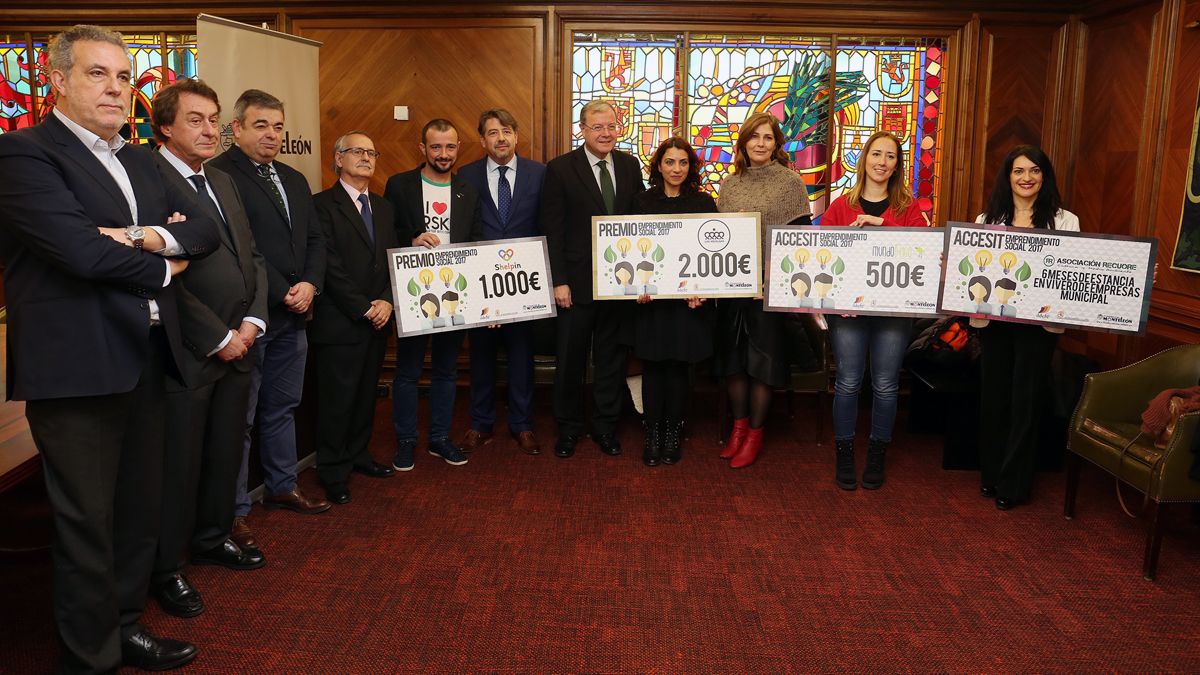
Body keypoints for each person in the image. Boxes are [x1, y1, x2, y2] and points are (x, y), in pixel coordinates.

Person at [0, 25, 220, 671]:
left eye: (123, 77)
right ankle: (89, 657)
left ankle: (126, 625)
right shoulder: (23, 155)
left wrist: (139, 237)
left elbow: (206, 226)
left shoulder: (142, 157)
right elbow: (76, 250)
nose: (116, 88)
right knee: (86, 523)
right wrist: (163, 264)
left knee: (135, 513)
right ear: (57, 79)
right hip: (76, 368)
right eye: (98, 74)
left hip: (149, 353)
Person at [149, 79, 269, 621]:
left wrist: (251, 321)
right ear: (166, 126)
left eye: (213, 119)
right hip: (189, 348)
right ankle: (167, 567)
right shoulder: (146, 179)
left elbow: (253, 257)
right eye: (194, 119)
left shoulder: (222, 178)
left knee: (225, 450)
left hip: (241, 341)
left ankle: (212, 536)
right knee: (180, 463)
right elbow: (160, 279)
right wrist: (218, 337)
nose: (207, 130)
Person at [209, 88, 331, 528]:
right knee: (239, 418)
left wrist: (311, 285)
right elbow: (244, 250)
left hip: (295, 317)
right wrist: (283, 291)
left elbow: (315, 240)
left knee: (282, 406)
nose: (272, 135)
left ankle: (281, 485)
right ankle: (236, 509)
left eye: (278, 126)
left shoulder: (294, 179)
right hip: (249, 319)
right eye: (261, 125)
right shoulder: (219, 176)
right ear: (236, 128)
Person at [821, 131, 929, 491]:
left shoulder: (908, 208)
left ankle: (878, 451)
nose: (883, 162)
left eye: (891, 157)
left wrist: (884, 224)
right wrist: (839, 299)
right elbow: (824, 256)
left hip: (894, 312)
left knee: (885, 384)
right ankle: (846, 452)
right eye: (876, 154)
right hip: (848, 312)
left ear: (898, 165)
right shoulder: (840, 206)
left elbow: (924, 252)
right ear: (864, 158)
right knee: (849, 382)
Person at [974, 145, 1079, 510]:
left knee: (1026, 401)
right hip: (995, 322)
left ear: (1044, 176)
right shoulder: (986, 218)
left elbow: (1078, 270)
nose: (1026, 178)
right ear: (1008, 177)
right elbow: (972, 269)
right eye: (1019, 171)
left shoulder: (1066, 221)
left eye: (1035, 171)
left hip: (1039, 325)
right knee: (995, 399)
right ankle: (991, 475)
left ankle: (1014, 484)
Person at [542, 100, 644, 458]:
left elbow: (639, 225)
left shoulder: (631, 166)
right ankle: (568, 429)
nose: (605, 133)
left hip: (619, 284)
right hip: (575, 285)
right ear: (581, 130)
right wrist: (558, 280)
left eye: (611, 126)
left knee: (611, 360)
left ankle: (605, 427)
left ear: (619, 129)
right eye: (597, 126)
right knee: (570, 361)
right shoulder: (560, 169)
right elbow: (552, 229)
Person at [714, 111, 812, 468]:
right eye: (754, 136)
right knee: (734, 363)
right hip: (732, 288)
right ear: (743, 142)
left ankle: (755, 434)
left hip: (769, 291)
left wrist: (774, 280)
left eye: (767, 137)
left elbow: (800, 241)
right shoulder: (730, 183)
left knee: (762, 365)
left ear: (777, 143)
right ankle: (738, 429)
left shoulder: (790, 183)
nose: (760, 143)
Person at [384, 118, 482, 470]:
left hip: (455, 294)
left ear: (458, 149)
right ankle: (406, 441)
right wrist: (409, 242)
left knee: (446, 370)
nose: (444, 154)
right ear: (422, 148)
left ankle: (439, 438)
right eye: (436, 147)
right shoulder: (400, 186)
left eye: (450, 147)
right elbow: (386, 232)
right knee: (408, 370)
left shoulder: (468, 190)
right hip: (415, 294)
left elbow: (475, 241)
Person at [310, 131, 399, 504]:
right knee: (337, 399)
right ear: (338, 159)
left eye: (371, 152)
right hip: (341, 321)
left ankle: (358, 454)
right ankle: (332, 469)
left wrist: (385, 301)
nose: (365, 157)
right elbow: (328, 265)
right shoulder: (320, 205)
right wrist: (363, 306)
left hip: (378, 318)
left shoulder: (383, 207)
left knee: (366, 395)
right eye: (356, 151)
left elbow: (390, 258)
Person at [456, 108, 546, 456]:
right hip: (480, 283)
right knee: (481, 355)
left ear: (516, 135)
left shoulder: (539, 173)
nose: (501, 138)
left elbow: (545, 222)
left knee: (522, 355)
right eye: (492, 133)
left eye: (506, 131)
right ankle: (480, 423)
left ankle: (522, 425)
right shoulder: (467, 175)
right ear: (483, 140)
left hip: (525, 282)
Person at [629, 137, 716, 466]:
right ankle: (652, 432)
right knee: (653, 366)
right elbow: (633, 249)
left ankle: (672, 432)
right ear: (658, 166)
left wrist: (702, 287)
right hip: (652, 302)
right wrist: (637, 284)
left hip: (687, 304)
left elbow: (711, 256)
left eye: (683, 163)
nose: (676, 169)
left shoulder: (704, 204)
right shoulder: (641, 202)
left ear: (690, 167)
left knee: (679, 367)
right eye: (670, 162)